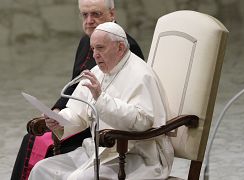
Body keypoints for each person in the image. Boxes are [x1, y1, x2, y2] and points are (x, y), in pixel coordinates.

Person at [11, 0, 144, 179]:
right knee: (35, 136)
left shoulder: (125, 47)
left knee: (36, 140)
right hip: (83, 117)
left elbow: (128, 108)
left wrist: (89, 106)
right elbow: (76, 87)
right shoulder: (86, 41)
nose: (89, 20)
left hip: (104, 130)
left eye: (96, 14)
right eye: (84, 15)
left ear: (112, 14)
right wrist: (57, 112)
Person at [29, 22, 174, 179]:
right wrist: (60, 121)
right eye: (93, 49)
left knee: (78, 178)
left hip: (137, 156)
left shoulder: (142, 75)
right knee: (41, 169)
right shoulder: (97, 72)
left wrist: (101, 99)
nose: (94, 55)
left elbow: (142, 122)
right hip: (98, 152)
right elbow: (78, 113)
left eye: (100, 48)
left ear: (120, 48)